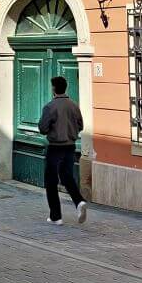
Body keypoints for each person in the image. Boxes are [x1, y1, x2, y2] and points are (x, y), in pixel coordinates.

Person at [38, 76, 88, 226]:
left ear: (53, 88)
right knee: (67, 176)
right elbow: (81, 125)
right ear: (65, 88)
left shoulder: (50, 107)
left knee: (51, 181)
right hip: (70, 146)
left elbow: (43, 128)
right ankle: (79, 201)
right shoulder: (74, 105)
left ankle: (56, 216)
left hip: (55, 147)